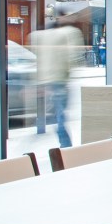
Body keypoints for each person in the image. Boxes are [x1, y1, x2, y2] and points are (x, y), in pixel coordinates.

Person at [30, 16, 83, 148]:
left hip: (48, 81)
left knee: (58, 116)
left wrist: (38, 82)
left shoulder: (38, 37)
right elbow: (73, 58)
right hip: (60, 80)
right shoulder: (66, 34)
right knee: (60, 117)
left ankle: (65, 146)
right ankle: (66, 147)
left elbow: (36, 61)